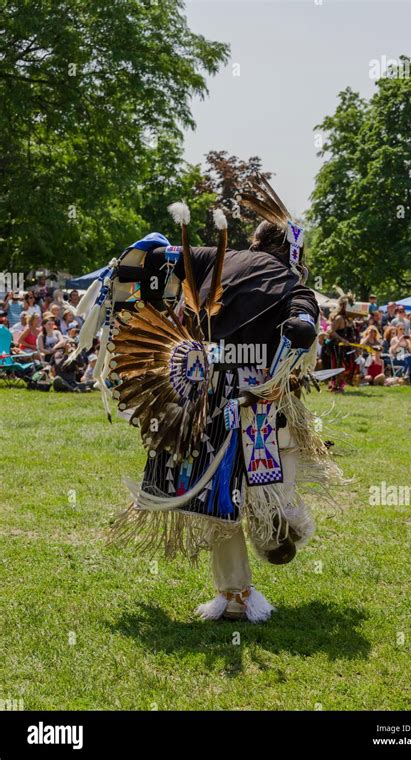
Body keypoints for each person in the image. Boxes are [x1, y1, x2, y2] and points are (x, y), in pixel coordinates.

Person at [73, 175, 342, 623]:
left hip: (199, 396)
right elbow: (302, 327)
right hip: (258, 401)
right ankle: (280, 523)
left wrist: (142, 310)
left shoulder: (217, 257)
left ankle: (236, 593)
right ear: (292, 253)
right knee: (273, 474)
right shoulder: (294, 285)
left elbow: (152, 260)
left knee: (217, 497)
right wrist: (286, 352)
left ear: (256, 242)